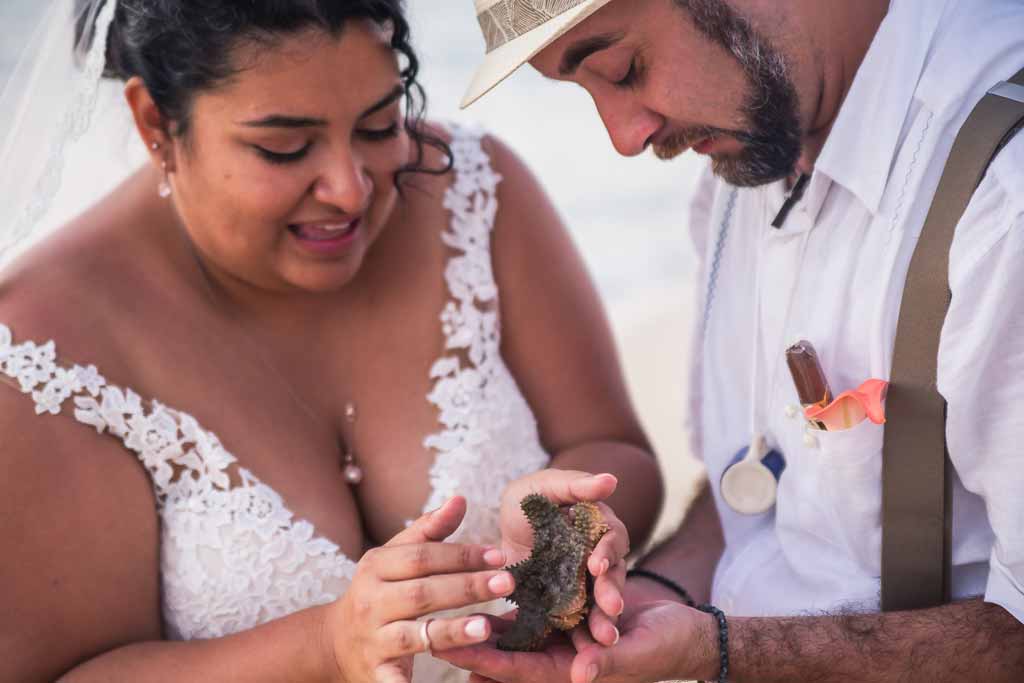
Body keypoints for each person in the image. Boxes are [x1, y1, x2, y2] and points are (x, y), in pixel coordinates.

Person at [0, 1, 665, 681]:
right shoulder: (47, 345)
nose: (350, 189)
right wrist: (327, 642)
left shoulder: (470, 190)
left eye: (380, 126)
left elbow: (616, 449)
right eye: (284, 147)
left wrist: (565, 540)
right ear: (155, 123)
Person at [441, 0, 1024, 681]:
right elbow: (758, 494)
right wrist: (640, 601)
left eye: (622, 68)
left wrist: (719, 649)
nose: (625, 138)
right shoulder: (750, 143)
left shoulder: (1003, 201)